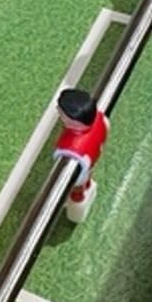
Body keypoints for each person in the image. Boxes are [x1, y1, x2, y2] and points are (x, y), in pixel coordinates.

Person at [52, 88, 109, 223]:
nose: (58, 112)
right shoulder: (100, 119)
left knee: (76, 192)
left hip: (80, 173)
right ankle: (86, 189)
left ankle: (76, 205)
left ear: (73, 121)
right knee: (86, 179)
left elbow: (74, 176)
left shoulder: (70, 151)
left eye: (61, 113)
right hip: (91, 161)